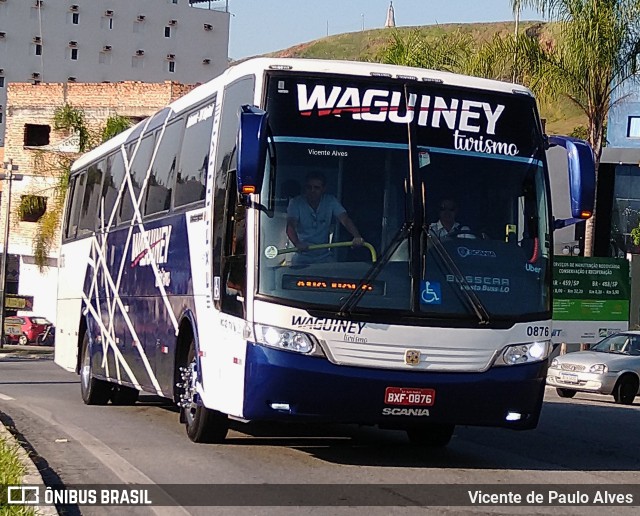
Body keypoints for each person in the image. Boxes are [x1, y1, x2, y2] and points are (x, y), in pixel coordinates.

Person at [286, 171, 364, 265]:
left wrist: (357, 236)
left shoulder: (330, 201)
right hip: (302, 255)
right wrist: (297, 243)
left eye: (316, 188)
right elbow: (290, 226)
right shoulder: (295, 203)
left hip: (324, 256)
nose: (312, 191)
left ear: (324, 189)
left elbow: (345, 219)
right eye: (309, 187)